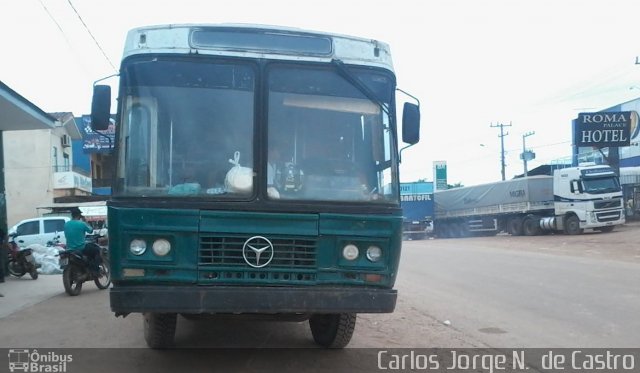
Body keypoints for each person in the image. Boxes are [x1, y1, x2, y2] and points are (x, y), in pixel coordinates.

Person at [64, 208, 99, 273]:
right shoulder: (82, 224)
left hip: (69, 248)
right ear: (79, 215)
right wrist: (85, 221)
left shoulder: (66, 224)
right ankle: (95, 270)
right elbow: (91, 231)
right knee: (97, 251)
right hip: (81, 248)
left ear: (72, 215)